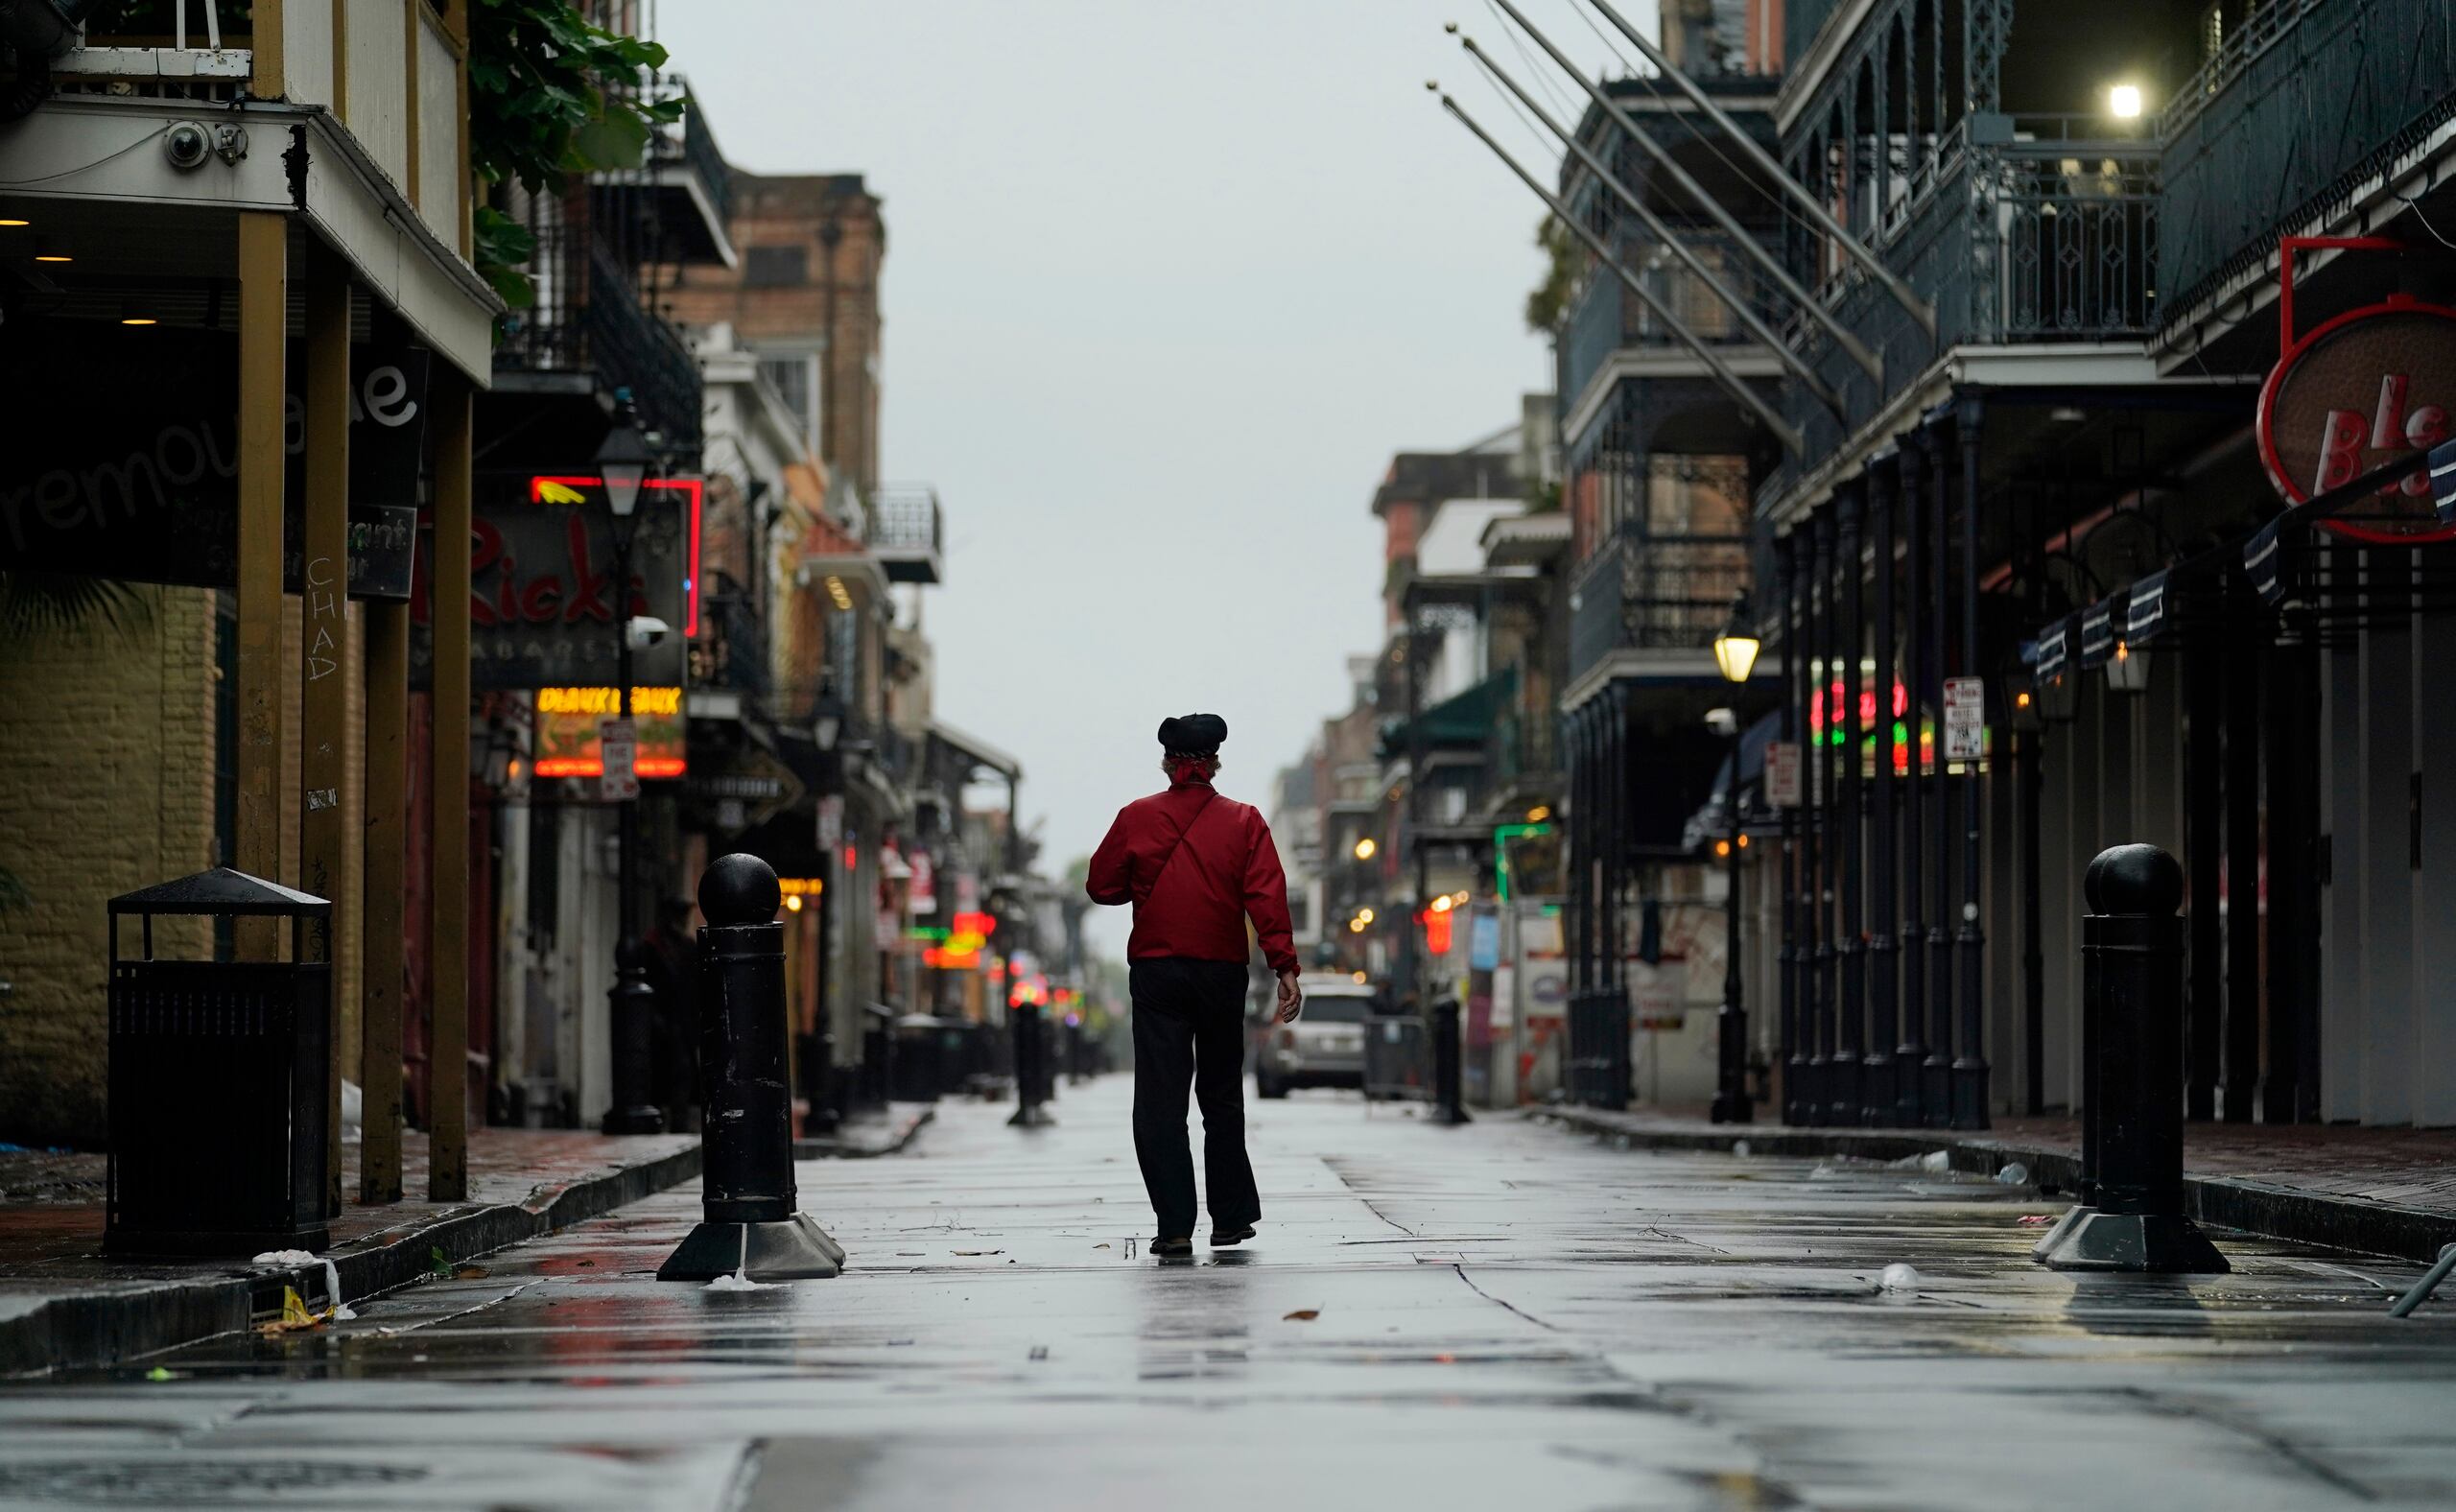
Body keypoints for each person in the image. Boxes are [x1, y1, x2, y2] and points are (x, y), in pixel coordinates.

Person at [1087, 713, 1301, 1258]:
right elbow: (1267, 898)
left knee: (1160, 1101)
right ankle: (1229, 1220)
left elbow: (1100, 886)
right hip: (1221, 973)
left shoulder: (1136, 817)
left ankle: (1175, 1225)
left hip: (1158, 973)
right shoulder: (1246, 821)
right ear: (1214, 762)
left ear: (1167, 763)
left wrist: (1145, 884)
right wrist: (1285, 967)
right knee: (1221, 1097)